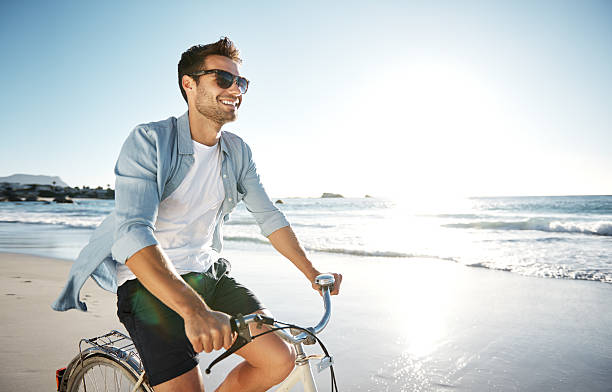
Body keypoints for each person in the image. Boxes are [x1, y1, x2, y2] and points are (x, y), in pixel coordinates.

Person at [52, 37, 342, 391]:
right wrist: (194, 310)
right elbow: (133, 231)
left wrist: (313, 273)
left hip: (209, 275)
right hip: (148, 287)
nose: (236, 88)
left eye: (241, 82)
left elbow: (270, 218)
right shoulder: (150, 141)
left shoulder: (237, 152)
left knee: (279, 359)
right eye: (223, 79)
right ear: (189, 84)